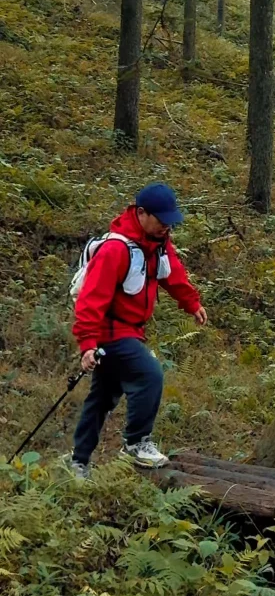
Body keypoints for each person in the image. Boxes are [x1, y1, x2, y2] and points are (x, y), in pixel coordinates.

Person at [69, 182, 207, 478]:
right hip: (110, 332)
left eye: (171, 221)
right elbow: (90, 299)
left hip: (129, 331)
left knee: (102, 397)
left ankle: (78, 462)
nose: (167, 227)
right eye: (162, 220)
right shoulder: (116, 250)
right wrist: (88, 343)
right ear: (141, 213)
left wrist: (191, 303)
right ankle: (136, 443)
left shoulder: (157, 243)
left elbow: (174, 275)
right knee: (149, 374)